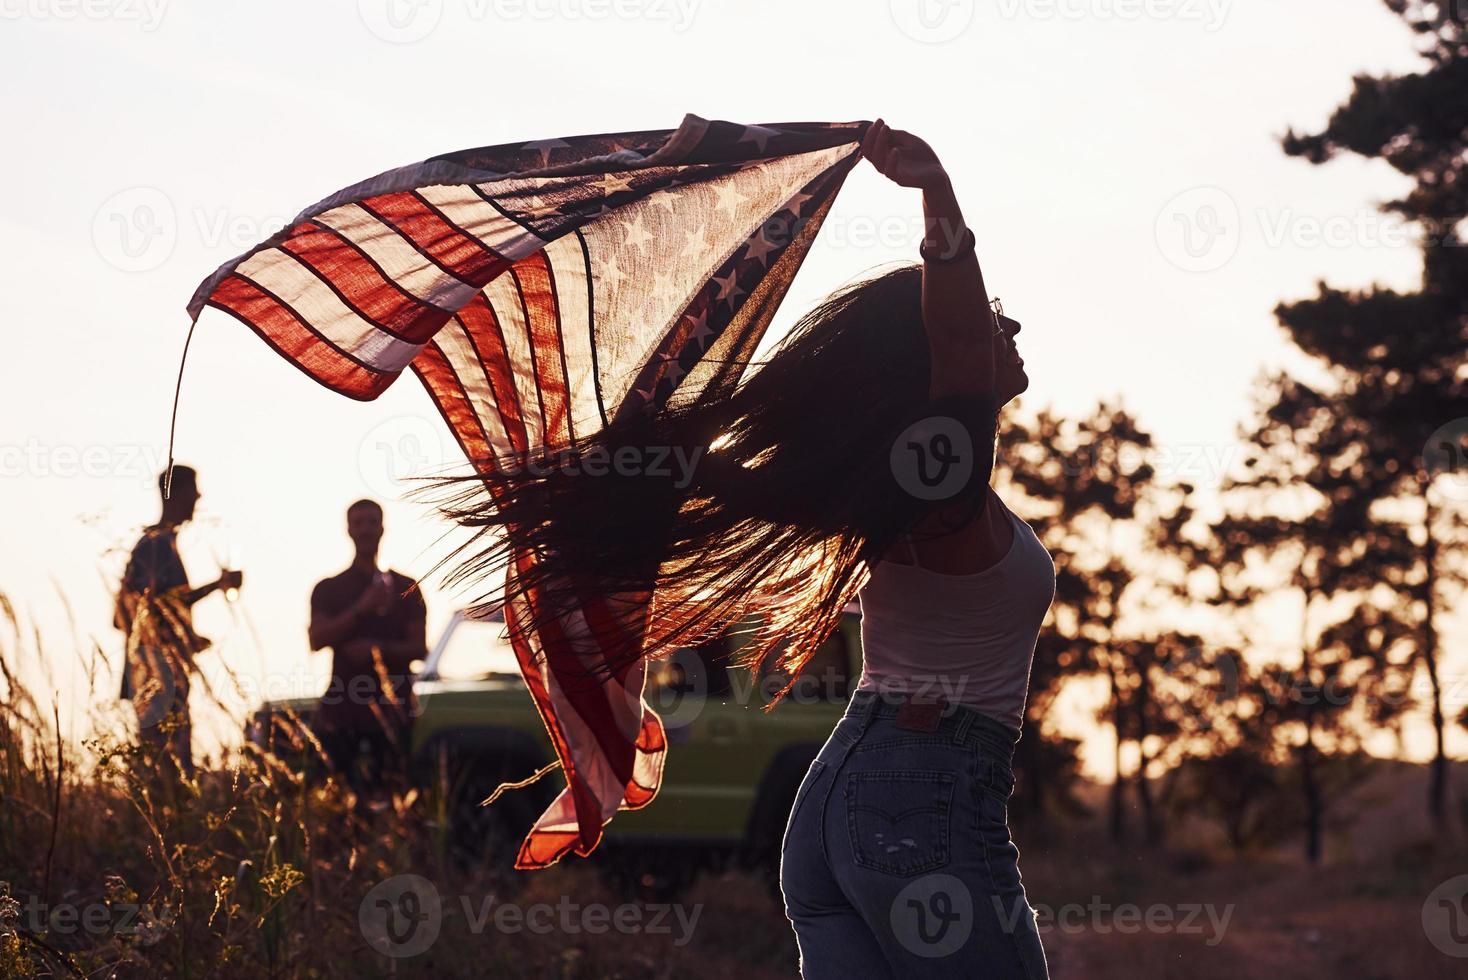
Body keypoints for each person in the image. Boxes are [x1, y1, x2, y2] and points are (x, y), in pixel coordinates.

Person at [436, 119, 1053, 977]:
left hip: (840, 808)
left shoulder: (900, 488)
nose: (1007, 321)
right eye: (990, 316)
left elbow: (948, 358)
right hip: (924, 799)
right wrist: (937, 195)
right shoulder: (941, 479)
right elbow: (955, 354)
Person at [115, 464, 243, 781]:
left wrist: (189, 637)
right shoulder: (156, 545)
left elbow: (145, 612)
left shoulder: (157, 543)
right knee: (167, 769)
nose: (198, 497)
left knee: (166, 764)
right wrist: (218, 585)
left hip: (159, 672)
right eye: (192, 490)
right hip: (158, 677)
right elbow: (153, 606)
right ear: (175, 493)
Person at [307, 499, 427, 798]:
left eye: (371, 522)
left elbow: (419, 648)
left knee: (391, 794)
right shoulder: (328, 588)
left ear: (382, 528)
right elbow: (317, 638)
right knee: (336, 796)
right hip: (341, 711)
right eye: (358, 523)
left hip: (393, 712)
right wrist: (362, 608)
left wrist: (378, 649)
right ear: (348, 529)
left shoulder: (407, 588)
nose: (365, 530)